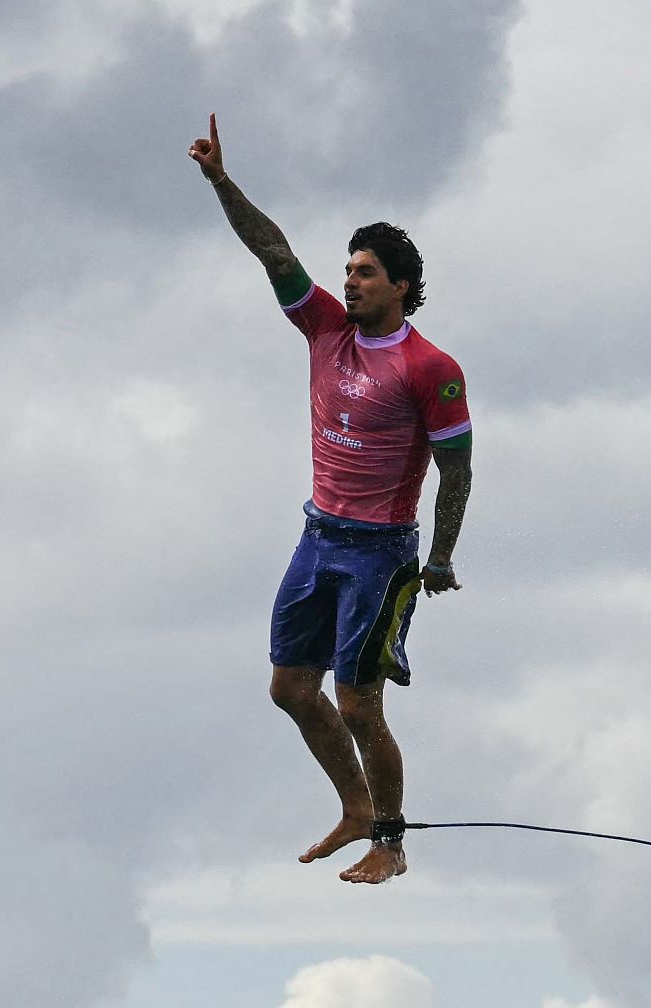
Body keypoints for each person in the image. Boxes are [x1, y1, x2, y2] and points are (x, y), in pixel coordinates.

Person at [188, 113, 474, 885]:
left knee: (357, 703)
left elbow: (458, 469)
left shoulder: (430, 367)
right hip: (318, 536)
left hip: (380, 554)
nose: (349, 281)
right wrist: (221, 181)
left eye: (365, 273)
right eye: (348, 270)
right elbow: (272, 249)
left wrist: (441, 556)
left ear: (401, 287)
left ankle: (390, 840)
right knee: (289, 688)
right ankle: (353, 806)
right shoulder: (324, 329)